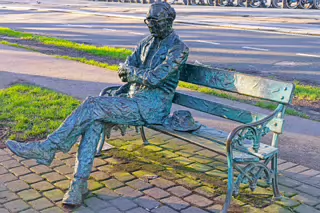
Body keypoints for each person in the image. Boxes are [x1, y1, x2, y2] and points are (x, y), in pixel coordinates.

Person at [6, 2, 189, 207]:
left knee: (93, 106)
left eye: (154, 21)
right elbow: (125, 67)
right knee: (93, 121)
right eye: (148, 20)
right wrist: (132, 73)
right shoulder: (146, 42)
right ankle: (78, 185)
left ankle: (48, 147)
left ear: (168, 21)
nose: (150, 25)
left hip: (152, 108)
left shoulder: (178, 49)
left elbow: (155, 78)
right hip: (130, 100)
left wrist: (134, 74)